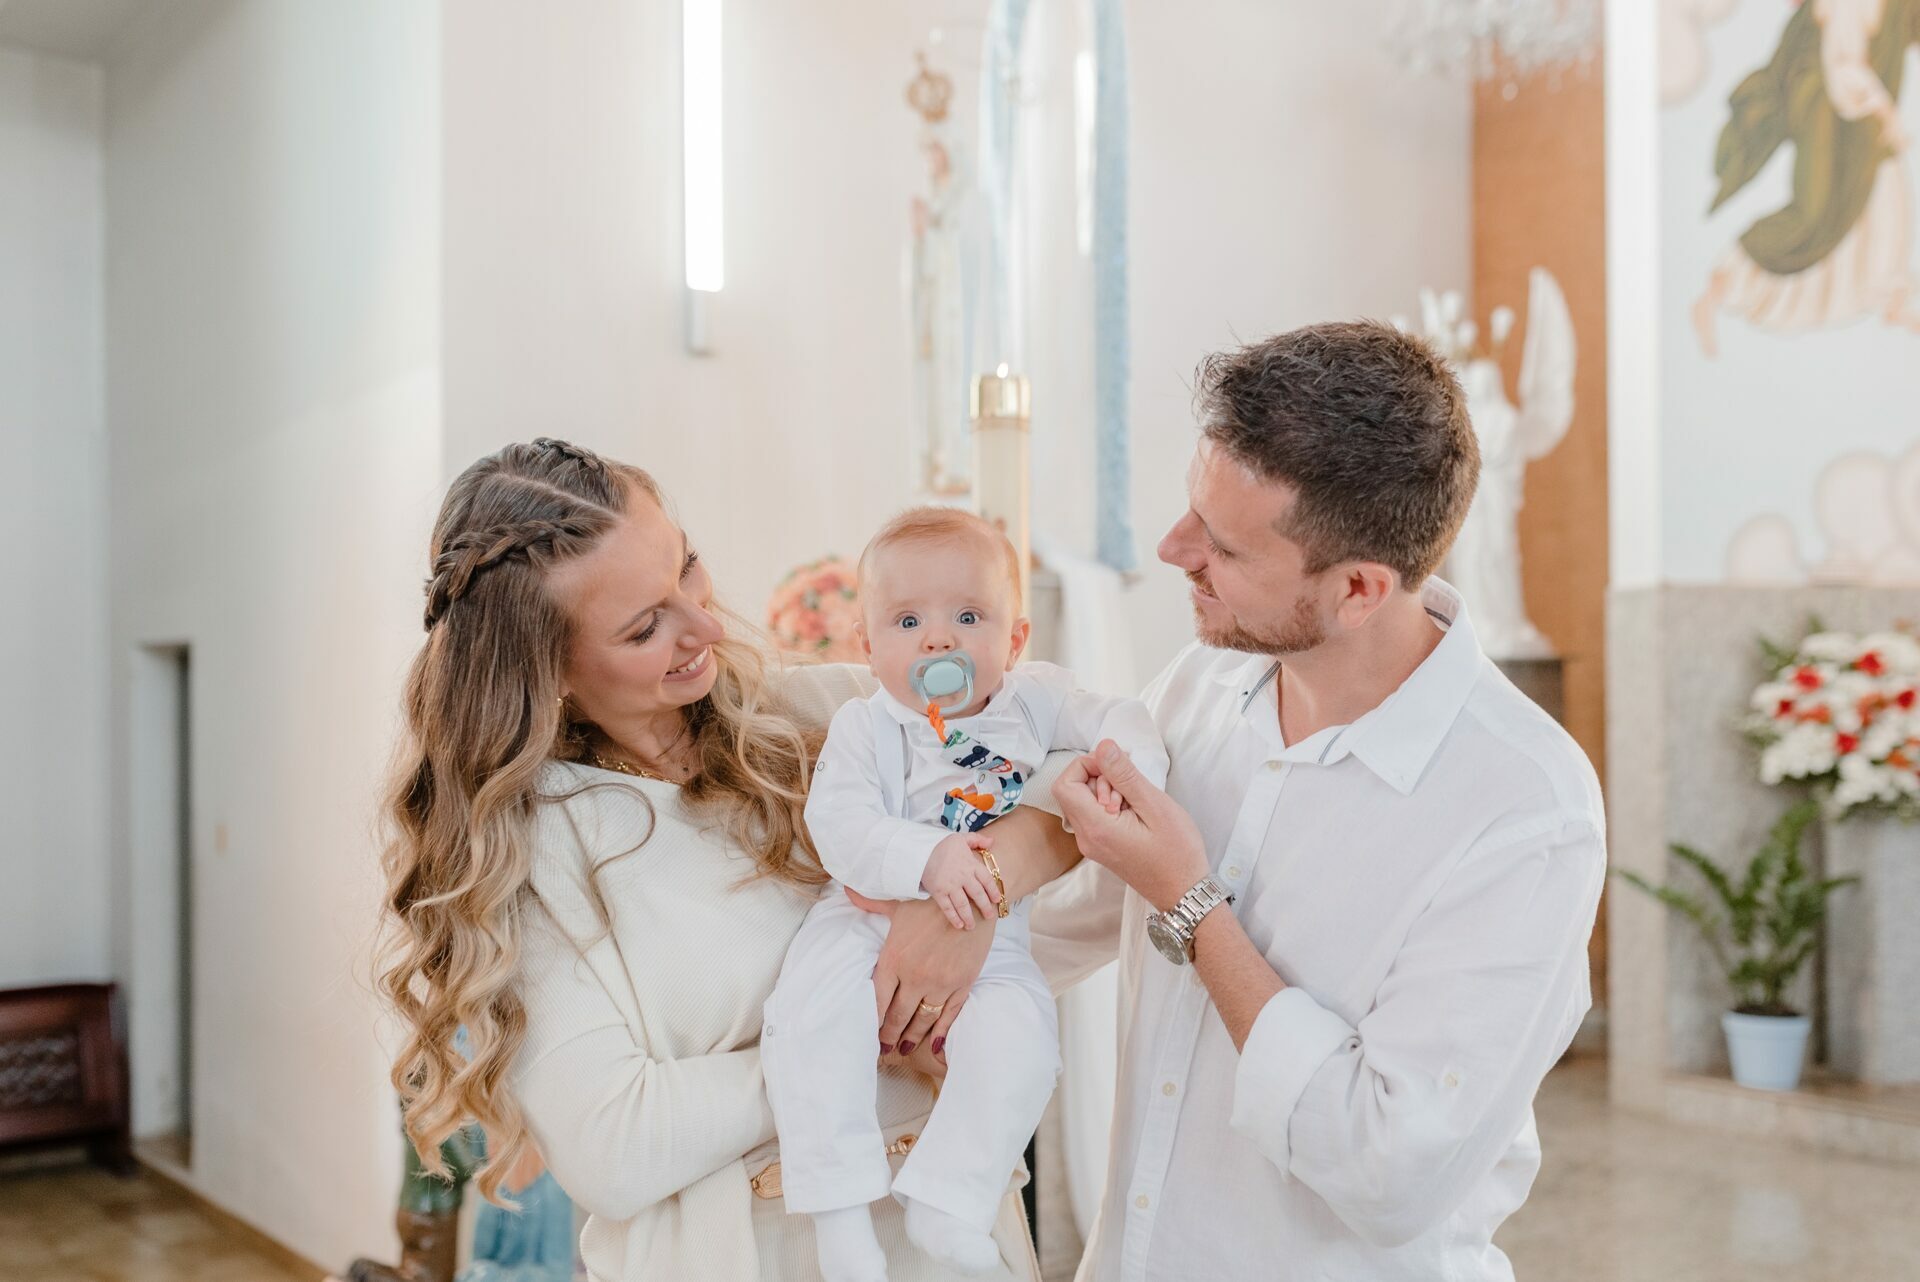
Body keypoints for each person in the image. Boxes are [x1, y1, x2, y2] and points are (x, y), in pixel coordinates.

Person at [378, 439, 1078, 1282]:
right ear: (548, 669)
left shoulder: (830, 713)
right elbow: (616, 1148)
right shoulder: (532, 849)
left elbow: (1082, 773)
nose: (706, 626)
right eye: (645, 627)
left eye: (687, 568)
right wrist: (862, 1033)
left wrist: (978, 894)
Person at [1034, 322, 1607, 1281]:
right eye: (1192, 511)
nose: (1173, 549)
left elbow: (1390, 1172)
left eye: (1221, 546)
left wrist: (1194, 906)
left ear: (1358, 591)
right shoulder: (1202, 684)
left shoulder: (1526, 809)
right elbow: (1085, 908)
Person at [766, 507, 1164, 1282]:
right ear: (868, 646)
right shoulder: (865, 726)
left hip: (994, 939)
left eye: (969, 617)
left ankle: (951, 1198)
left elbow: (1118, 718)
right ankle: (840, 1216)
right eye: (908, 621)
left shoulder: (1037, 699)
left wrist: (1136, 767)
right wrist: (928, 857)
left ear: (1014, 640)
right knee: (810, 1023)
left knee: (1025, 1043)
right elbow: (838, 824)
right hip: (861, 924)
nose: (937, 640)